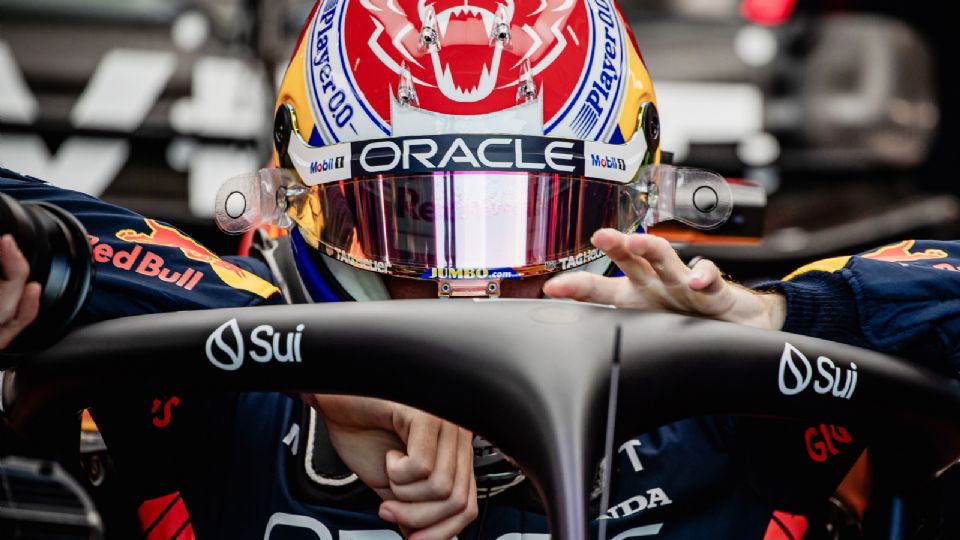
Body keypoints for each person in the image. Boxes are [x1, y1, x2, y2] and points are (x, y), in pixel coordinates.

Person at [2, 1, 958, 539]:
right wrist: (304, 368)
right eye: (414, 223)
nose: (473, 290)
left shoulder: (730, 399)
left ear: (633, 208)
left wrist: (777, 327)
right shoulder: (221, 396)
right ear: (301, 205)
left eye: (531, 221)